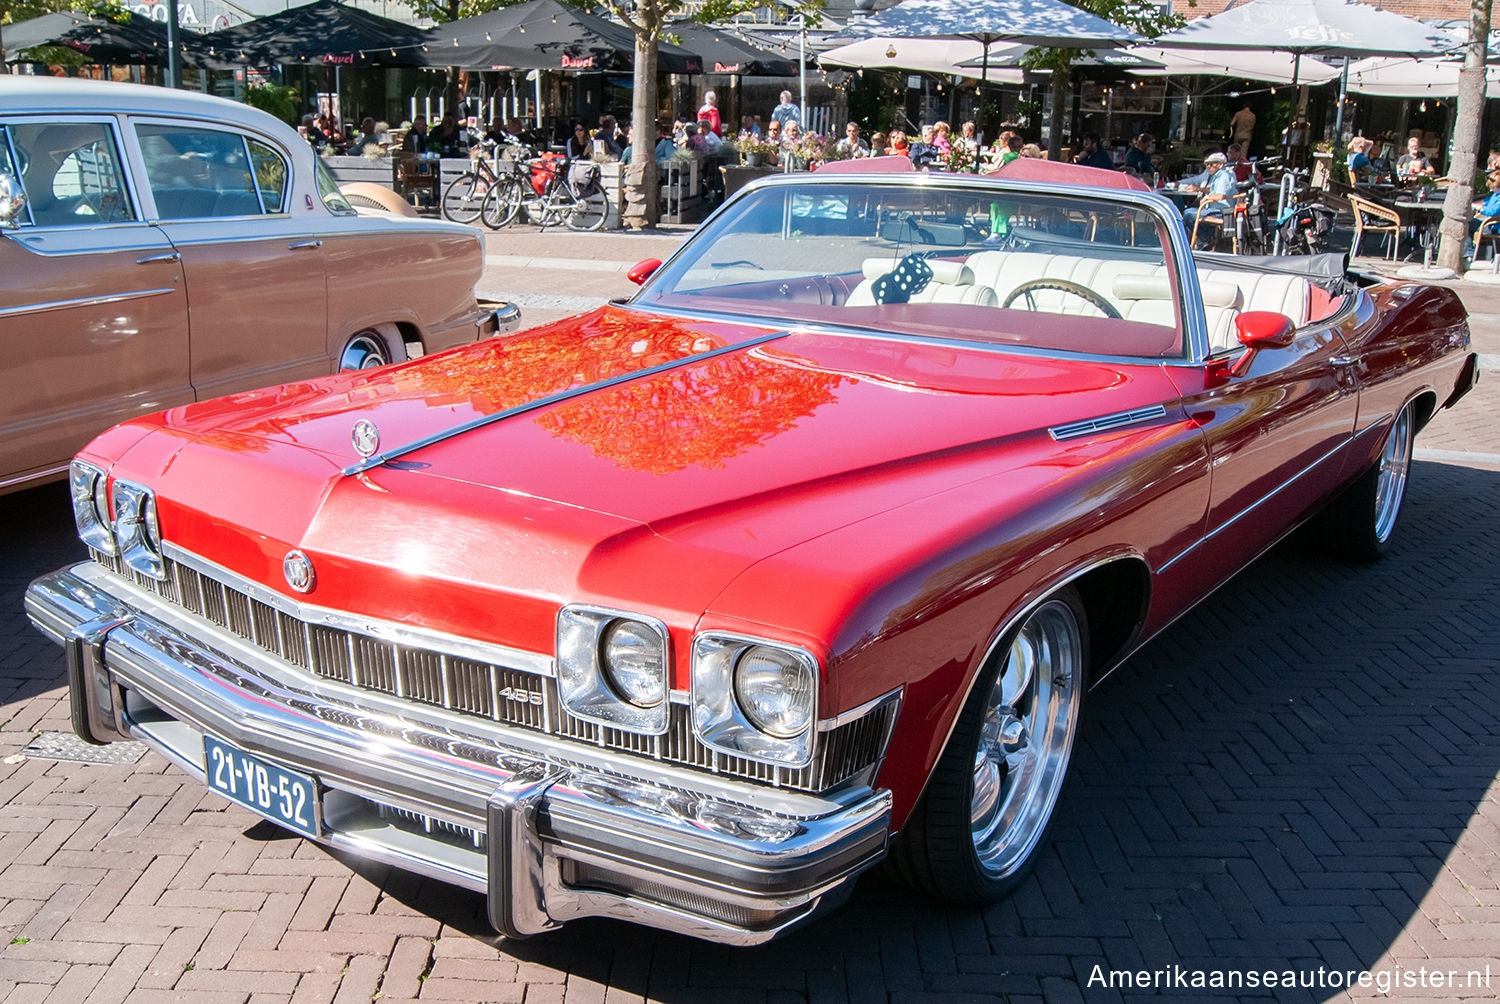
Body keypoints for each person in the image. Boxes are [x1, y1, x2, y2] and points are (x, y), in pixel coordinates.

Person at [1181, 151, 1237, 249]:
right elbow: (1213, 191)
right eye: (1206, 164)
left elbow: (1220, 196)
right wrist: (1200, 190)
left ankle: (1205, 240)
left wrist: (1207, 197)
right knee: (1189, 211)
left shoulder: (1225, 176)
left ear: (1220, 165)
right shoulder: (1217, 176)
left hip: (1222, 210)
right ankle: (1205, 240)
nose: (1208, 167)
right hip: (1214, 208)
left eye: (1211, 164)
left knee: (1188, 214)